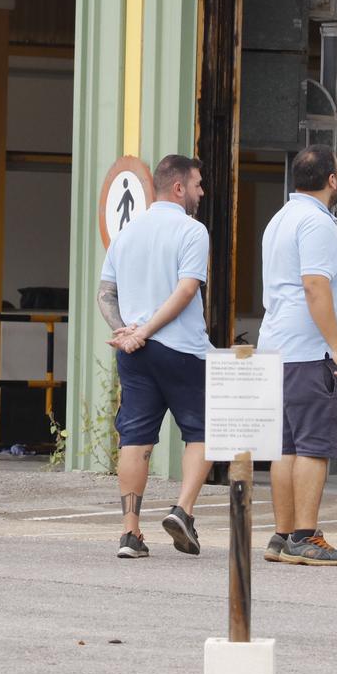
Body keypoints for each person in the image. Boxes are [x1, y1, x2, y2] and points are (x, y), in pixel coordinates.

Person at [98, 154, 215, 560]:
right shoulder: (192, 231)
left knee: (135, 436)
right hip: (181, 350)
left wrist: (125, 331)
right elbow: (186, 292)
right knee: (204, 430)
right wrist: (147, 329)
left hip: (135, 354)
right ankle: (183, 510)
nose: (201, 192)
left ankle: (130, 533)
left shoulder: (126, 234)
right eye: (198, 184)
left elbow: (105, 294)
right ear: (179, 188)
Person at [258, 144, 337, 567]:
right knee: (313, 448)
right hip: (310, 352)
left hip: (277, 348)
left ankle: (283, 536)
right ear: (332, 180)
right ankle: (305, 536)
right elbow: (315, 286)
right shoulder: (316, 225)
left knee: (285, 448)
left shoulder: (279, 219)